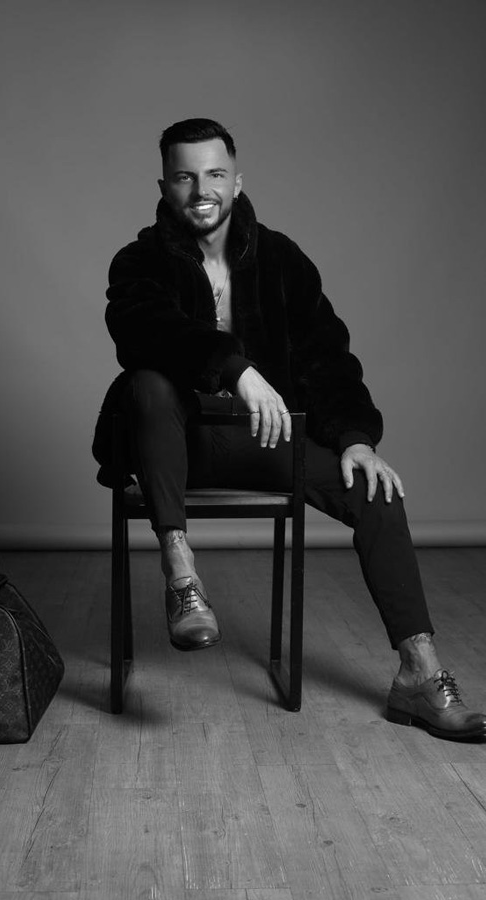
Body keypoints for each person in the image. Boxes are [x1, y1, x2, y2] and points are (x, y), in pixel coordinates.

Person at [93, 118, 485, 741]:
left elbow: (327, 354)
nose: (202, 189)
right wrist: (236, 368)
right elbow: (145, 330)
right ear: (164, 186)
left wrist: (356, 438)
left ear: (237, 180)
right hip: (172, 444)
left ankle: (419, 673)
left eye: (215, 174)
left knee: (378, 492)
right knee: (147, 381)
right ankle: (182, 574)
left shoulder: (281, 259)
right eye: (185, 176)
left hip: (264, 440)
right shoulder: (138, 261)